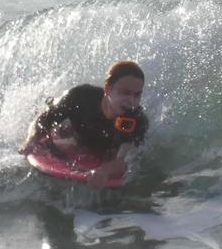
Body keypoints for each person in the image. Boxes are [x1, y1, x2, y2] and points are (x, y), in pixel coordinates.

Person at [20, 60, 149, 187]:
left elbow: (124, 161)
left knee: (112, 156)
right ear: (108, 89)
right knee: (58, 128)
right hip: (76, 134)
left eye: (137, 95)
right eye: (125, 93)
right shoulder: (81, 96)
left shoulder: (135, 119)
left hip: (105, 148)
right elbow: (43, 120)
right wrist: (32, 138)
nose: (131, 101)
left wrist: (104, 171)